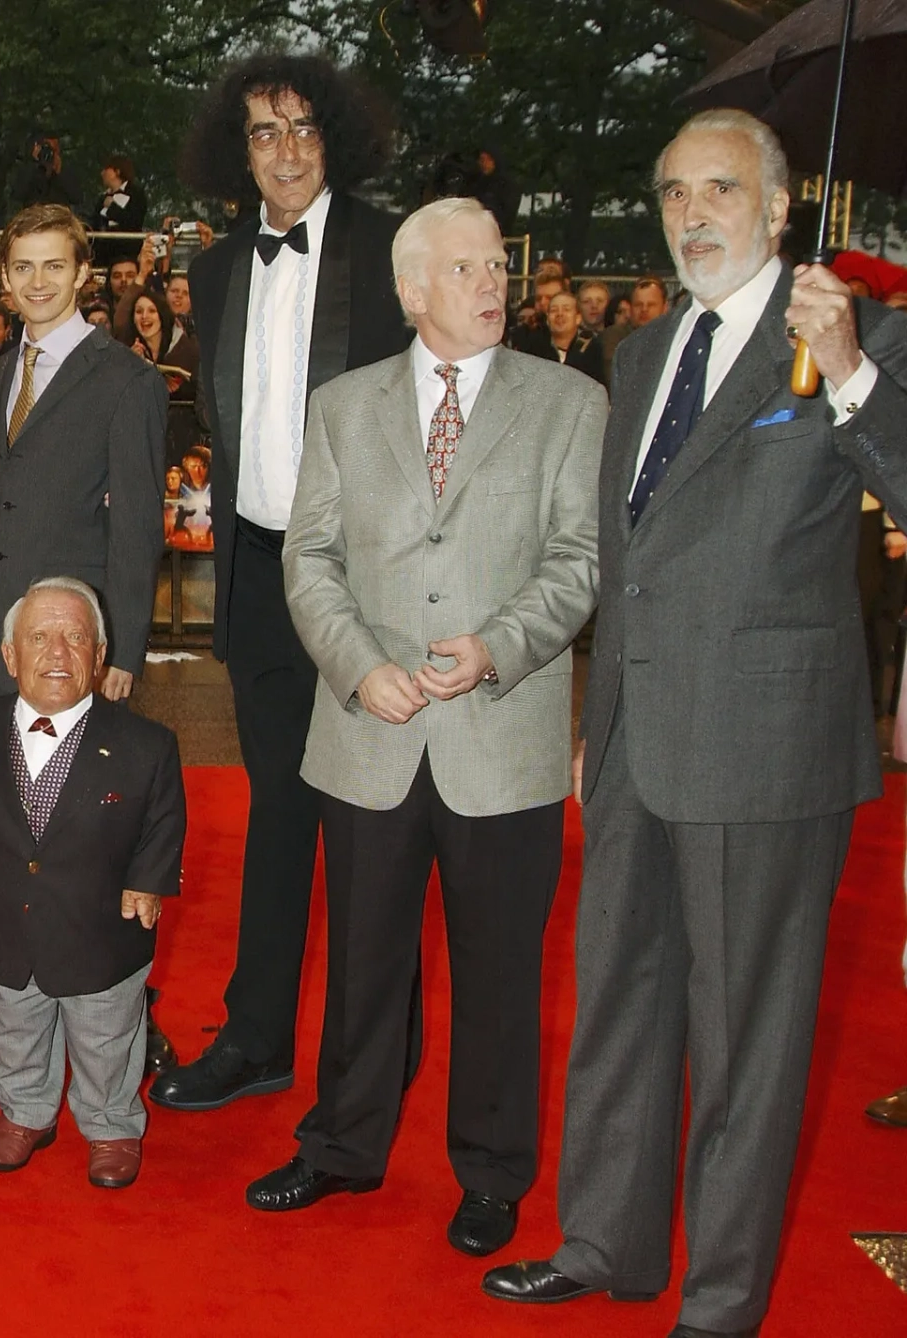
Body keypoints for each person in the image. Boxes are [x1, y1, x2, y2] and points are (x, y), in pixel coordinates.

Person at [482, 109, 907, 1337]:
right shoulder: (643, 353)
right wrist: (596, 718)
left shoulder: (852, 334)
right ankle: (605, 1243)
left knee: (744, 1043)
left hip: (764, 749)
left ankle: (720, 1301)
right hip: (633, 738)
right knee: (618, 1002)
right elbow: (631, 560)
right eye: (673, 192)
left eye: (721, 188)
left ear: (779, 208)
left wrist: (853, 372)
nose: (692, 214)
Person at [257, 198, 603, 1261]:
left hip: (502, 733)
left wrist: (498, 645)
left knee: (500, 974)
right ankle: (344, 1145)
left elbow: (582, 559)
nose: (493, 282)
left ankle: (492, 1173)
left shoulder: (570, 402)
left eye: (497, 265)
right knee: (363, 963)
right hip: (369, 733)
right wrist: (358, 668)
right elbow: (309, 558)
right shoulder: (342, 406)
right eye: (464, 268)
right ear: (411, 290)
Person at [153, 52, 413, 1115]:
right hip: (259, 578)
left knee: (372, 830)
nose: (288, 150)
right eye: (265, 131)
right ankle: (256, 1038)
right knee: (277, 815)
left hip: (367, 586)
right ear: (239, 151)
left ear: (334, 138)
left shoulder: (393, 249)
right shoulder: (217, 269)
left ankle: (368, 1066)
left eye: (304, 127)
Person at [0, 202, 168, 1058]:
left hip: (73, 641)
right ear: (3, 279)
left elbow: (137, 526)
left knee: (83, 830)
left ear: (82, 274)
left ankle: (110, 1003)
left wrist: (123, 648)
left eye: (53, 266)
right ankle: (1, 994)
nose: (37, 282)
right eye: (22, 267)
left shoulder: (127, 381)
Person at [0, 577, 186, 1189]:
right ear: (9, 655)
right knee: (14, 1027)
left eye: (75, 638)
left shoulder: (144, 745)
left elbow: (162, 821)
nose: (56, 652)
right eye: (39, 638)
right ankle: (24, 1111)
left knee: (106, 1039)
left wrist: (149, 881)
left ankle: (111, 1122)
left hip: (101, 932)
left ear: (99, 657)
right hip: (7, 924)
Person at [527, 290, 605, 386]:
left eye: (566, 309)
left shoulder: (592, 349)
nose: (560, 314)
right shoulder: (534, 350)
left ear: (578, 318)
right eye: (554, 310)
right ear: (547, 319)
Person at [124, 291, 199, 384]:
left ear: (162, 315)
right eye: (139, 311)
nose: (144, 316)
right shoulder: (126, 350)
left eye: (152, 311)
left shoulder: (188, 350)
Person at [92, 154, 147, 267]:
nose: (102, 173)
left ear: (117, 171)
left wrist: (112, 207)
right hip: (104, 254)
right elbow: (95, 223)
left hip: (127, 251)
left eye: (106, 169)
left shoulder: (136, 194)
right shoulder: (103, 197)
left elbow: (134, 220)